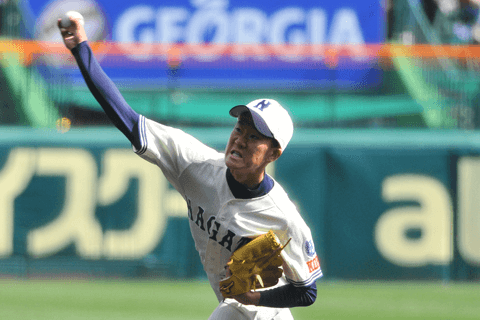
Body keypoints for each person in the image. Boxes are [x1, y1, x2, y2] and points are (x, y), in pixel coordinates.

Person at [58, 15, 322, 320]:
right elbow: (129, 120)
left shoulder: (283, 216)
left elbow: (307, 291)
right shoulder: (195, 164)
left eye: (254, 137)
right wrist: (80, 48)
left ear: (273, 154)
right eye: (239, 129)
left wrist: (256, 296)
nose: (240, 140)